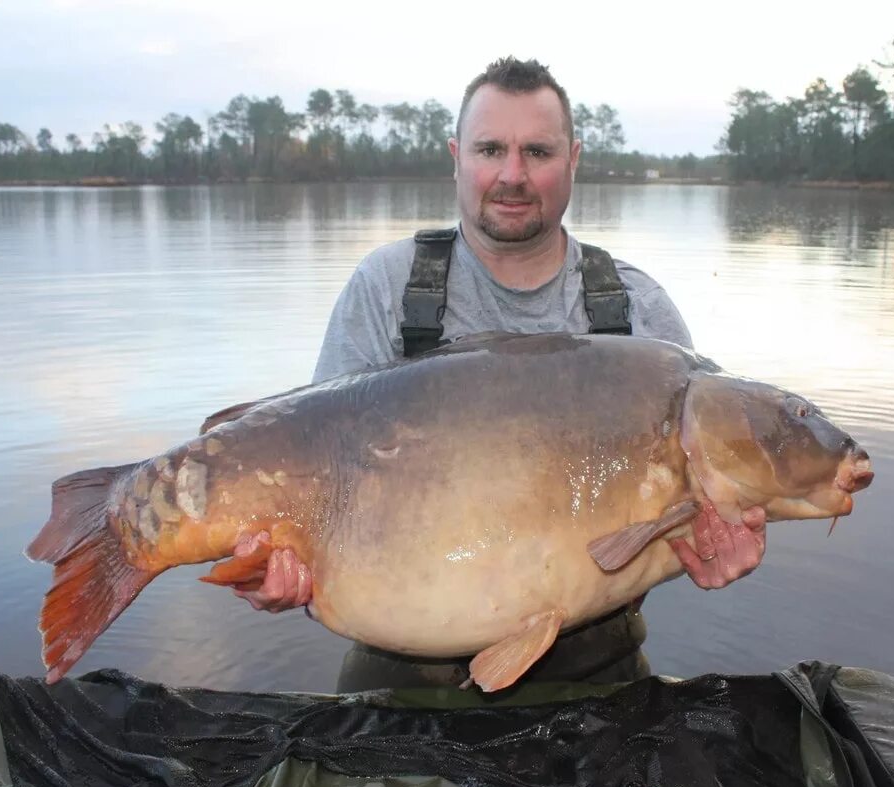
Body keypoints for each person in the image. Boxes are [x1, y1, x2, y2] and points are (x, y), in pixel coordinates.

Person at [229, 56, 767, 692]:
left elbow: (692, 506)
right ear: (457, 156)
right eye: (491, 149)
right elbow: (308, 465)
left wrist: (712, 542)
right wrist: (271, 563)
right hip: (400, 671)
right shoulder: (386, 288)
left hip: (597, 667)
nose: (513, 175)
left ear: (574, 160)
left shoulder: (638, 314)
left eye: (537, 151)